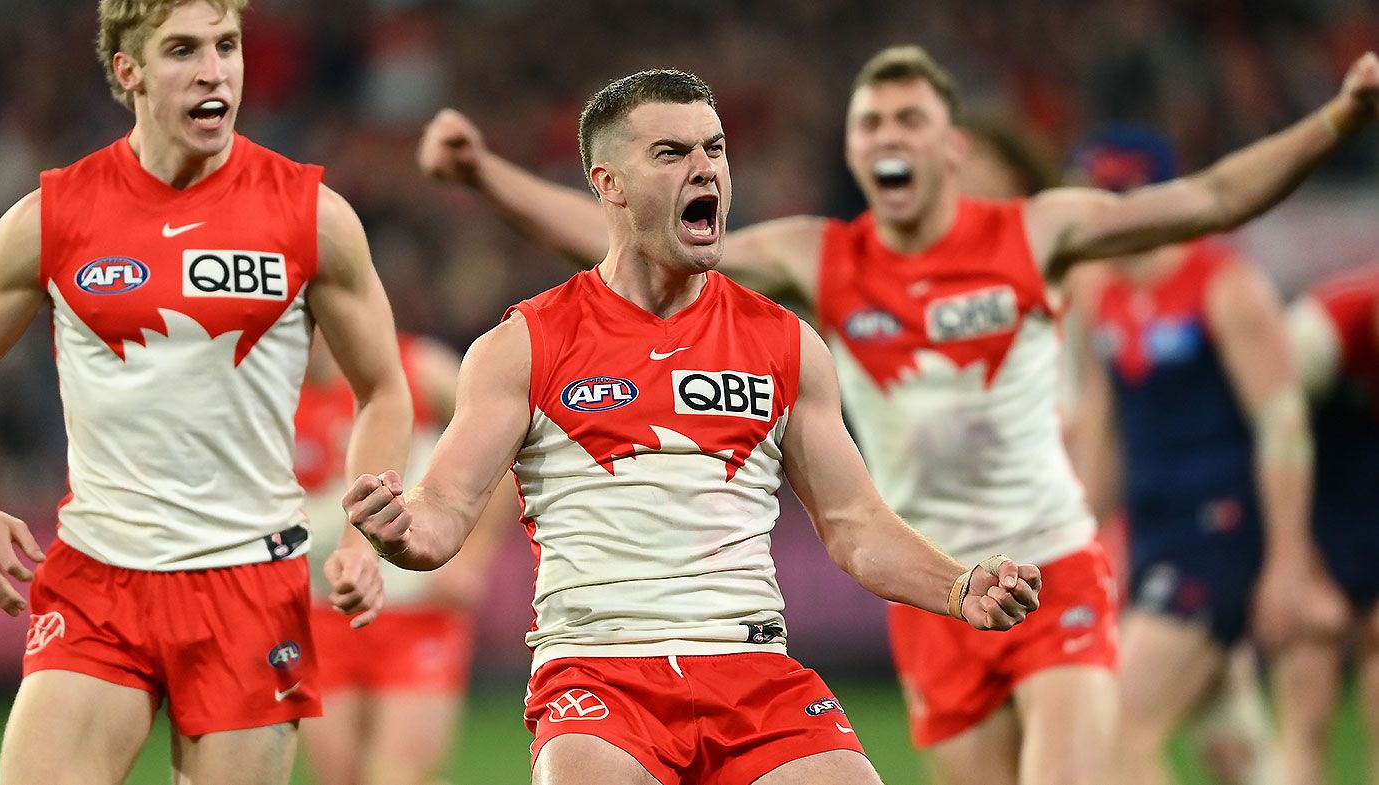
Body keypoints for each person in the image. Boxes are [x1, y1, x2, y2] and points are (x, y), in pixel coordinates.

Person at [412, 44, 1379, 785]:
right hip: (891, 593)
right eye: (869, 122)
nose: (887, 138)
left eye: (909, 117)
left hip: (1035, 561)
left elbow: (1209, 198)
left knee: (1102, 748)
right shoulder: (816, 262)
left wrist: (1339, 119)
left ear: (950, 144)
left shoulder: (1027, 236)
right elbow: (619, 248)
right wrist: (489, 176)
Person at [346, 68, 1042, 785]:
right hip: (600, 675)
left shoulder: (786, 343)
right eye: (672, 153)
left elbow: (855, 523)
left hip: (755, 671)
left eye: (714, 148)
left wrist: (959, 587)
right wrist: (398, 528)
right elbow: (445, 512)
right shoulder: (525, 344)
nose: (705, 167)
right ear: (609, 182)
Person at [0, 2, 412, 784]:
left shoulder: (310, 214)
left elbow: (383, 389)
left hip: (249, 585)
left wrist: (361, 536)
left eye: (228, 46)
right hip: (98, 577)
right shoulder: (52, 216)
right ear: (129, 70)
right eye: (183, 50)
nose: (215, 70)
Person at [1061, 126, 1339, 785]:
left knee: (1120, 726)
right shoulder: (1103, 294)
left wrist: (1290, 559)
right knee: (1234, 751)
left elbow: (1283, 427)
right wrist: (1075, 535)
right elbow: (1104, 431)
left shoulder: (1224, 285)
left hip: (1219, 529)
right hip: (1158, 534)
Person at [295, 330, 517, 785]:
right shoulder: (272, 392)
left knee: (400, 778)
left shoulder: (419, 369)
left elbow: (504, 449)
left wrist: (471, 558)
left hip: (418, 609)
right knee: (339, 779)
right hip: (320, 613)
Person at [1282, 265, 1379, 785]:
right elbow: (1270, 447)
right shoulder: (1316, 335)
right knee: (1307, 708)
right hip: (1315, 504)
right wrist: (1296, 561)